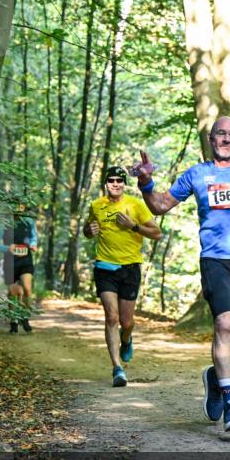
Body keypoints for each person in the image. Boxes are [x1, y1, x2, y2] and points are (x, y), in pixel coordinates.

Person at [133, 116, 230, 431]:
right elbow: (160, 206)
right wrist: (145, 183)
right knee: (223, 323)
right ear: (211, 138)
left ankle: (217, 379)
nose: (226, 139)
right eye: (221, 133)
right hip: (214, 259)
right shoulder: (197, 174)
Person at [84, 166, 161, 387]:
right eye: (111, 180)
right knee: (111, 317)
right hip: (105, 267)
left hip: (130, 268)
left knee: (126, 322)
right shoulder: (96, 205)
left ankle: (126, 340)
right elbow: (87, 229)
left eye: (119, 180)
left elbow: (156, 233)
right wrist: (89, 231)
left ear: (124, 183)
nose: (115, 184)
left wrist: (134, 226)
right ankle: (117, 368)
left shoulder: (135, 205)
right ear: (105, 183)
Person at [0, 203, 38, 333]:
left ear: (24, 208)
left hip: (26, 259)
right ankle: (13, 320)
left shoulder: (29, 221)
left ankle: (24, 317)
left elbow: (34, 237)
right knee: (14, 293)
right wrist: (7, 248)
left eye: (21, 206)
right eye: (15, 206)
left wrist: (33, 244)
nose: (18, 209)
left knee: (27, 290)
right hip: (10, 261)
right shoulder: (4, 224)